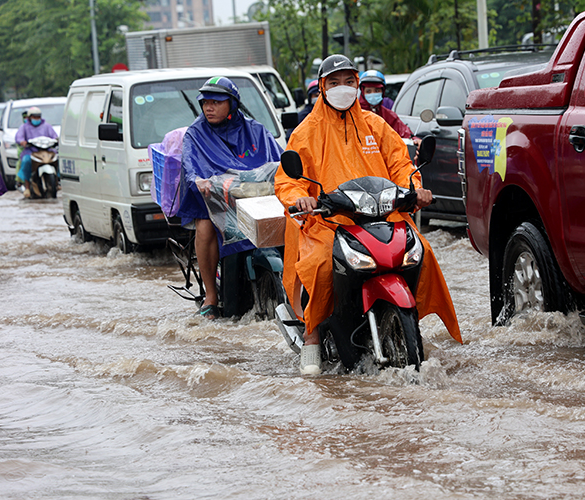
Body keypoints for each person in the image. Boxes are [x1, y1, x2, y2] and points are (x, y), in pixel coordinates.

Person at [275, 54, 462, 375]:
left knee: (423, 251)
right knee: (320, 263)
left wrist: (414, 188)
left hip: (381, 216)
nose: (342, 89)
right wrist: (300, 199)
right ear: (322, 87)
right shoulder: (305, 133)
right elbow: (288, 180)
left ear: (358, 85)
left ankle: (411, 318)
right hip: (327, 221)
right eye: (334, 83)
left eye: (349, 82)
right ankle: (312, 334)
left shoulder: (377, 125)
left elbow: (402, 165)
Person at [177, 76, 283, 320]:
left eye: (216, 102)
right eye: (205, 102)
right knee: (204, 228)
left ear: (232, 104)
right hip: (215, 201)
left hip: (255, 197)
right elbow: (190, 164)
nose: (208, 108)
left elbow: (278, 158)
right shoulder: (196, 133)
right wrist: (198, 181)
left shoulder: (255, 130)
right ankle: (212, 296)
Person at [358, 70, 414, 140]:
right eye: (368, 91)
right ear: (363, 93)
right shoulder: (355, 113)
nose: (373, 94)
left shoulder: (388, 115)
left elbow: (404, 132)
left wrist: (415, 140)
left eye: (377, 90)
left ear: (383, 91)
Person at [15, 106, 57, 198]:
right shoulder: (24, 127)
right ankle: (27, 186)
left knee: (57, 158)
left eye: (38, 116)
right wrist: (22, 141)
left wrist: (55, 140)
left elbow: (54, 136)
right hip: (31, 151)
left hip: (46, 151)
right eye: (34, 117)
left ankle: (58, 180)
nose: (36, 119)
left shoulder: (47, 126)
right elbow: (19, 137)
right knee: (26, 161)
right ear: (30, 117)